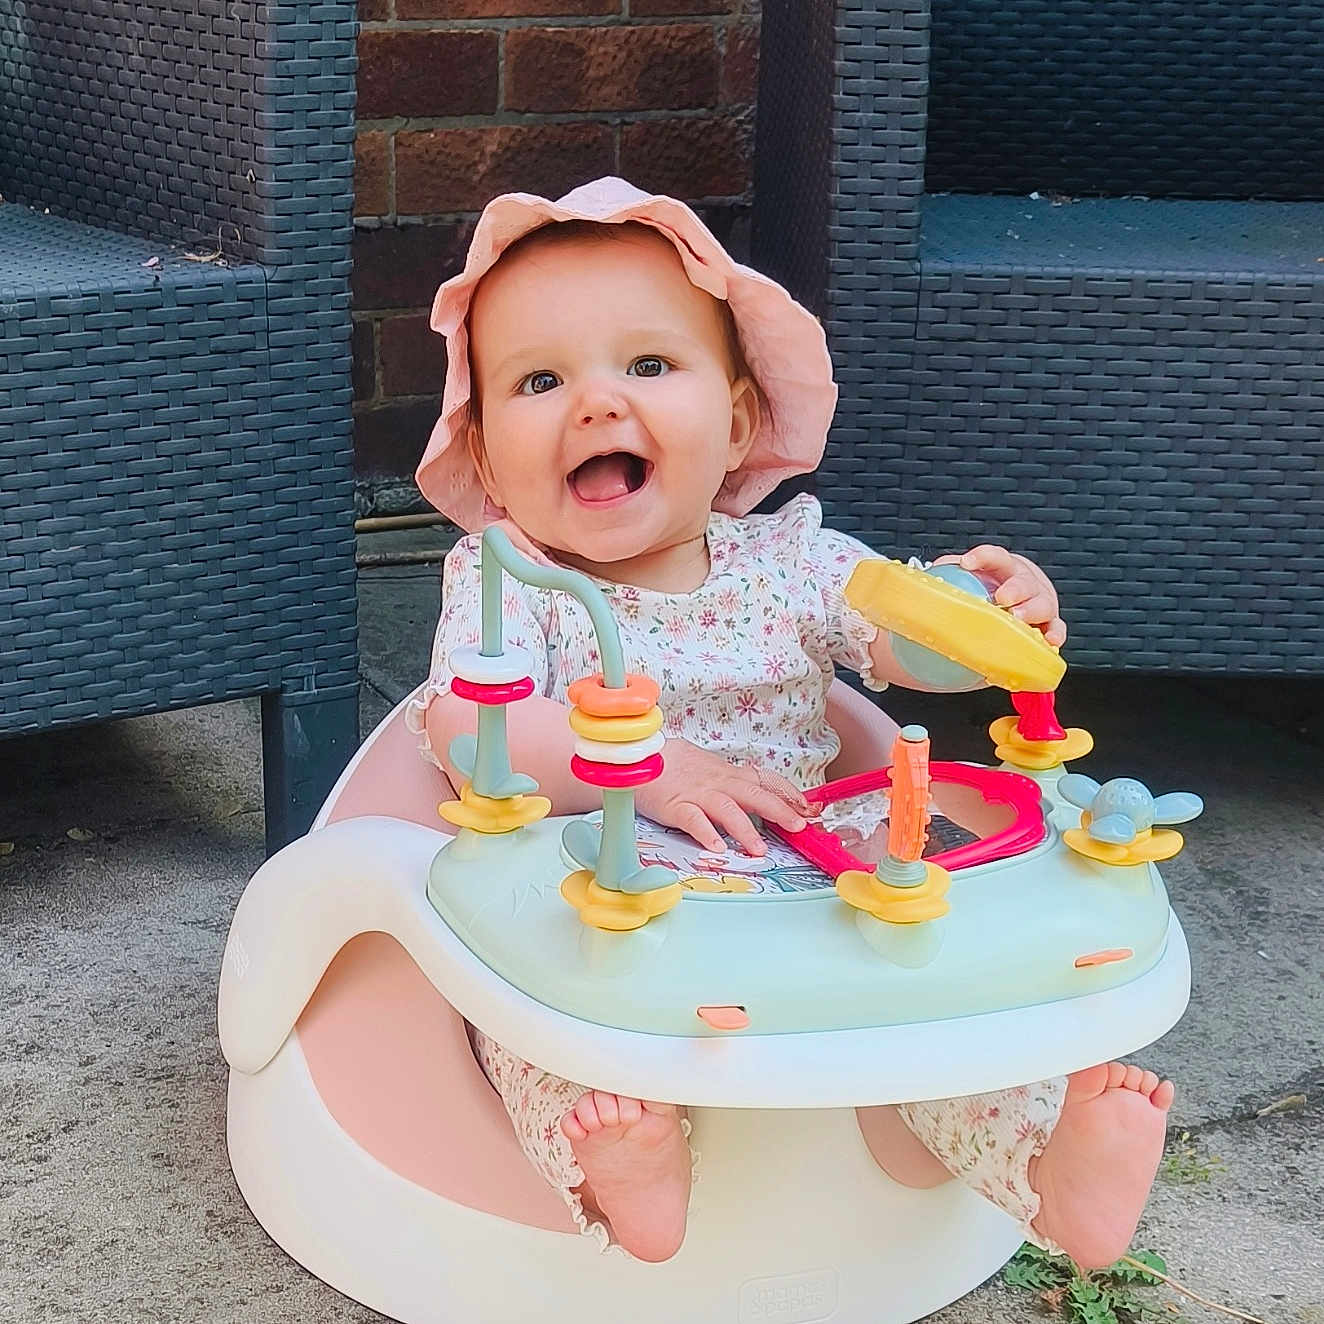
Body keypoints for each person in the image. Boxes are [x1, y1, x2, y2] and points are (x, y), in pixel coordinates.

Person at [408, 177, 1174, 1268]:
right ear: (485, 460)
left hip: (813, 875)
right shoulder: (508, 579)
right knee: (532, 1016)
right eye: (539, 380)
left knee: (943, 996)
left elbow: (905, 648)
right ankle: (625, 1168)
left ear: (732, 425)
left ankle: (1048, 1164)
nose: (596, 403)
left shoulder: (796, 560)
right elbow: (465, 726)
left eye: (647, 364)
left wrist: (988, 616)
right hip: (603, 880)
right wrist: (655, 769)